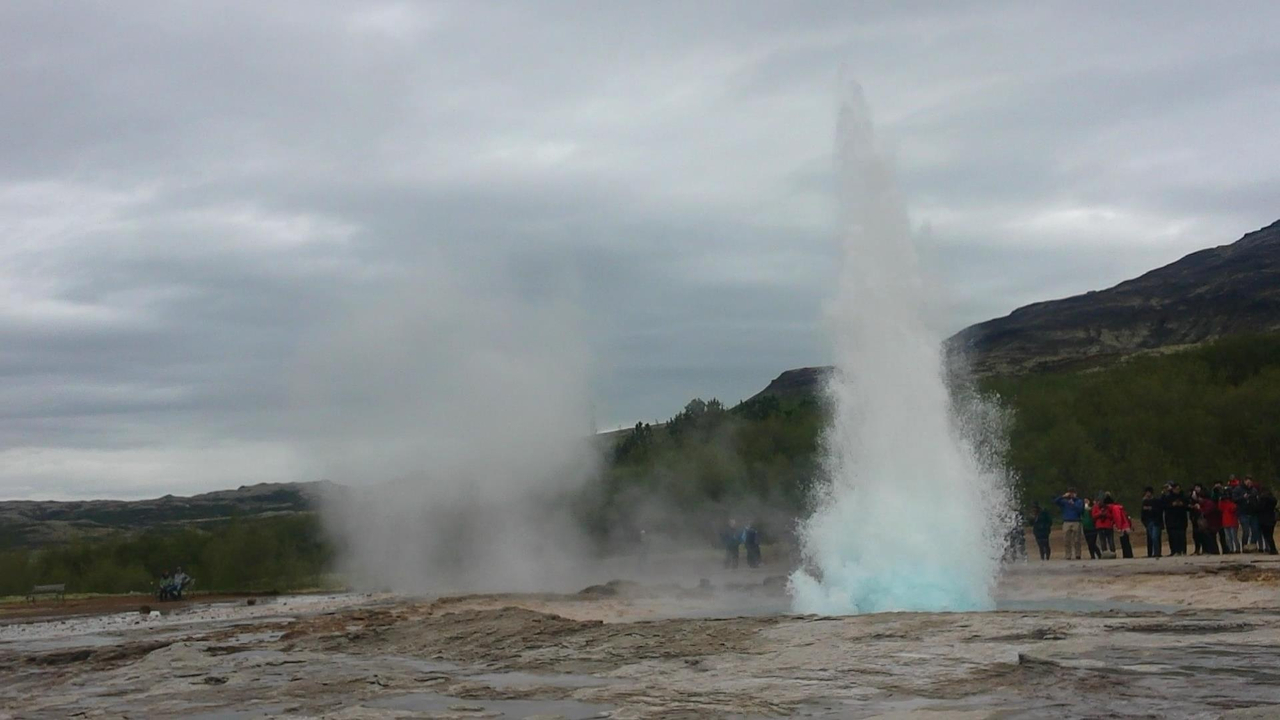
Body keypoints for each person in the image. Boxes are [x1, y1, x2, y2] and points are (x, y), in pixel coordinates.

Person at [1054, 489, 1085, 560]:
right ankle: (1068, 555)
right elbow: (1055, 501)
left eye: (1073, 493)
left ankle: (1078, 554)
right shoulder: (1064, 502)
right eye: (1070, 493)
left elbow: (1080, 510)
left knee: (1077, 540)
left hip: (1076, 521)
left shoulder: (1079, 501)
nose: (1071, 495)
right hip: (1066, 521)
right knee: (1066, 540)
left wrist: (1073, 504)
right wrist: (1062, 496)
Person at [1163, 484, 1189, 556]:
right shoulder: (1168, 498)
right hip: (1171, 520)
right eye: (1175, 489)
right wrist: (1172, 505)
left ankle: (1183, 551)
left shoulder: (1183, 497)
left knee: (1182, 536)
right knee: (1173, 537)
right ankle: (1174, 551)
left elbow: (1188, 506)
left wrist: (1182, 504)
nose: (1177, 490)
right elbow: (1164, 506)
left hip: (1182, 519)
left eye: (1178, 489)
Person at [1140, 487, 1164, 558]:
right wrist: (1144, 522)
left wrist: (1151, 509)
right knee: (1150, 538)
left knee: (1155, 537)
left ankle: (1157, 553)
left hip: (1156, 522)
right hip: (1148, 522)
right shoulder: (1144, 502)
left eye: (1148, 492)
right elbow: (1142, 513)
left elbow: (1159, 511)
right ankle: (1151, 553)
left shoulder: (1156, 501)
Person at [1239, 477, 1261, 552]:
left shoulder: (1254, 490)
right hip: (1243, 513)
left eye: (1250, 483)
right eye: (1248, 483)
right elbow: (1234, 499)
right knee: (1246, 531)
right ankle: (1244, 546)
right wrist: (1242, 497)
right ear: (1244, 481)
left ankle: (1252, 546)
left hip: (1253, 513)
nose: (1249, 484)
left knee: (1255, 530)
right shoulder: (1239, 489)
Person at [1256, 485, 1277, 555]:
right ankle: (1272, 548)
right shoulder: (1272, 499)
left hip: (1264, 520)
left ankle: (1273, 549)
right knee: (1270, 535)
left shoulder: (1262, 499)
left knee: (1267, 535)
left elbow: (1259, 508)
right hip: (1272, 518)